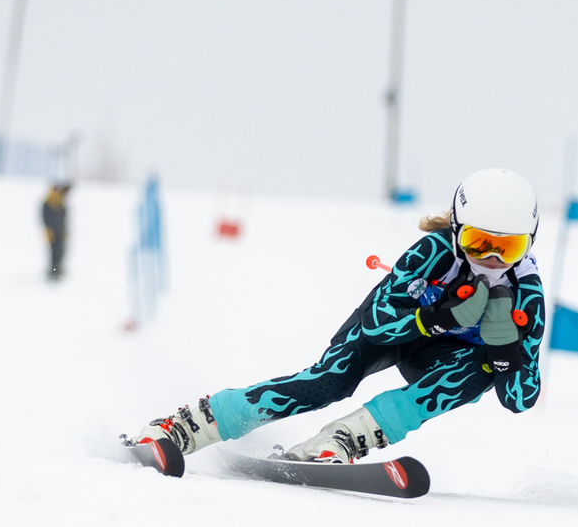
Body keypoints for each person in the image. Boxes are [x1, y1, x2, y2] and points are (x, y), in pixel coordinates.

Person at [130, 169, 544, 469]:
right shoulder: (434, 252)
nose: (491, 259)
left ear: (529, 244)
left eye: (507, 248)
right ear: (455, 229)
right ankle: (187, 426)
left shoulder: (527, 294)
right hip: (395, 330)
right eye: (476, 242)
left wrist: (506, 353)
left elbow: (520, 400)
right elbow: (376, 323)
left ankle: (341, 439)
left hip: (441, 360)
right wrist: (433, 319)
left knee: (476, 371)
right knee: (330, 382)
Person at [41, 181, 71, 280]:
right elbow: (45, 217)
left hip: (60, 231)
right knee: (54, 252)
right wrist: (48, 229)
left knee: (60, 251)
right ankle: (53, 272)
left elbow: (63, 218)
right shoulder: (50, 200)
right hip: (53, 231)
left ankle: (57, 270)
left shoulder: (60, 200)